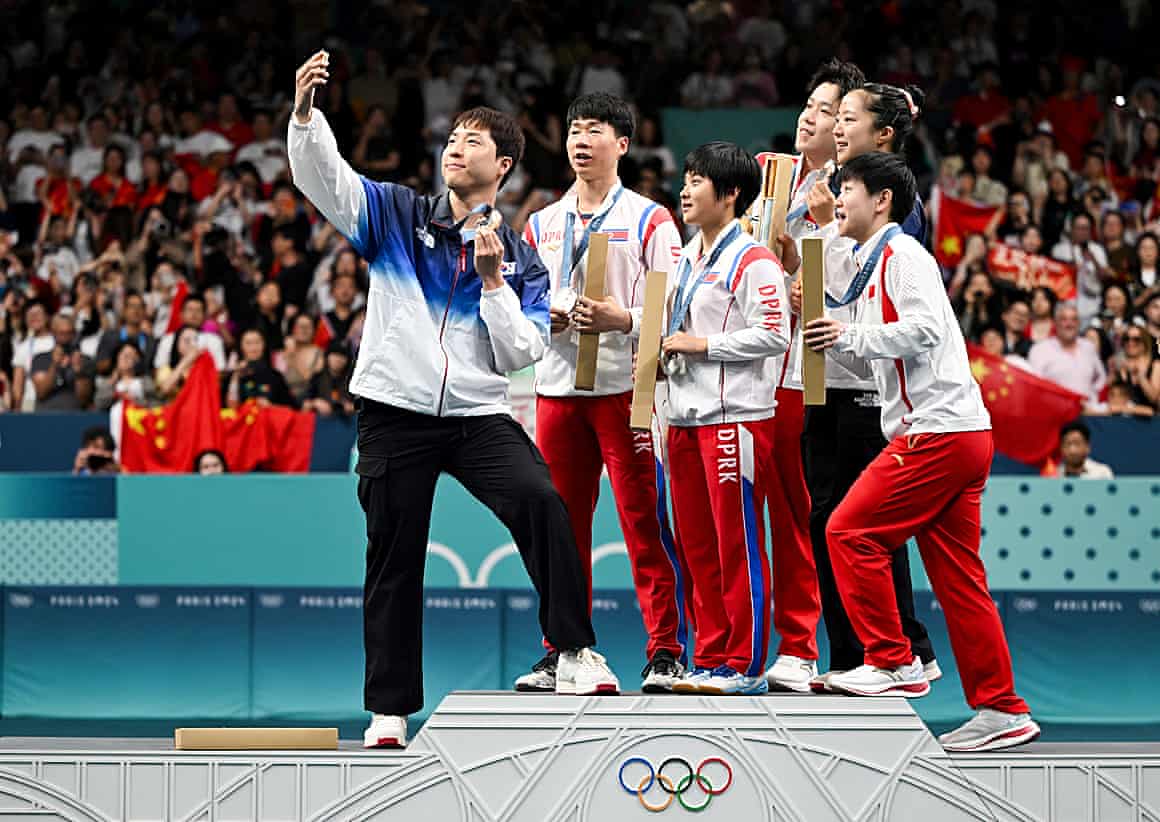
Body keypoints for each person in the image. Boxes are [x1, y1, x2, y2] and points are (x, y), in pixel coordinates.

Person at [288, 50, 615, 750]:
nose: (455, 148)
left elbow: (520, 353)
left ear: (503, 167)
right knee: (393, 561)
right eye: (452, 138)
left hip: (475, 418)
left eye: (474, 141)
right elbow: (327, 182)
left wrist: (495, 283)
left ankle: (574, 651)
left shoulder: (521, 257)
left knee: (541, 500)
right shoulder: (395, 214)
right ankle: (389, 712)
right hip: (394, 412)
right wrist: (306, 117)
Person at [804, 152, 1039, 752]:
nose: (838, 201)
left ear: (880, 200)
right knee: (960, 582)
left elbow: (927, 328)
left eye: (846, 189)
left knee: (847, 531)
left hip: (937, 432)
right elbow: (867, 355)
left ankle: (893, 658)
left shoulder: (903, 254)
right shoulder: (863, 264)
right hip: (955, 431)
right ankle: (1002, 708)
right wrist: (825, 335)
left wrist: (849, 333)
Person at [516, 92, 686, 694]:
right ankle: (562, 648)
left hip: (627, 388)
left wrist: (625, 320)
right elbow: (523, 299)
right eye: (574, 130)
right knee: (560, 527)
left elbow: (675, 304)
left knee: (643, 521)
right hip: (558, 389)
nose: (581, 141)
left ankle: (665, 648)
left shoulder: (650, 219)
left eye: (595, 130)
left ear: (623, 143)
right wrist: (550, 317)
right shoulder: (540, 223)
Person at [790, 79, 938, 693]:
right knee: (838, 521)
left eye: (846, 116)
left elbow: (875, 291)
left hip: (867, 389)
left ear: (883, 134)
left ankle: (892, 651)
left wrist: (825, 239)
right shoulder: (839, 192)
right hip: (828, 380)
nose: (835, 125)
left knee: (854, 526)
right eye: (833, 114)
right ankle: (865, 653)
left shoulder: (891, 205)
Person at [662, 141, 788, 695]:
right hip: (684, 420)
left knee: (736, 542)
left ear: (731, 194)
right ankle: (709, 656)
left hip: (735, 419)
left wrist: (701, 344)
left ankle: (745, 664)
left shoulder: (753, 259)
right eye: (685, 179)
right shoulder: (686, 258)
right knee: (695, 547)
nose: (685, 190)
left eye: (697, 180)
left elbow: (775, 334)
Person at [1028, 303, 1107, 406]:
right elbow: (1034, 387)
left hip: (1088, 415)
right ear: (1055, 323)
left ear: (1079, 324)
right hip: (1056, 415)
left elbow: (1101, 379)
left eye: (1074, 319)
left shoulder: (1088, 347)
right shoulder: (1040, 350)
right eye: (1064, 319)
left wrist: (1092, 397)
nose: (1069, 324)